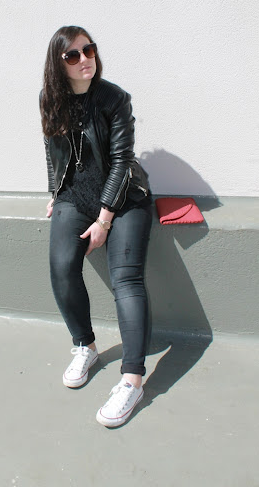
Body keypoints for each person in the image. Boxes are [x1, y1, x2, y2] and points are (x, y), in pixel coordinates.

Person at [39, 26, 152, 428]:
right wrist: (56, 192)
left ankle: (132, 380)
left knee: (126, 279)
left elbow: (121, 162)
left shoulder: (113, 98)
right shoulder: (50, 99)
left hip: (124, 196)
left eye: (89, 50)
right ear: (59, 64)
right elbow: (51, 149)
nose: (85, 59)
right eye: (73, 55)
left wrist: (105, 219)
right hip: (76, 196)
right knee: (61, 267)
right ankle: (84, 346)